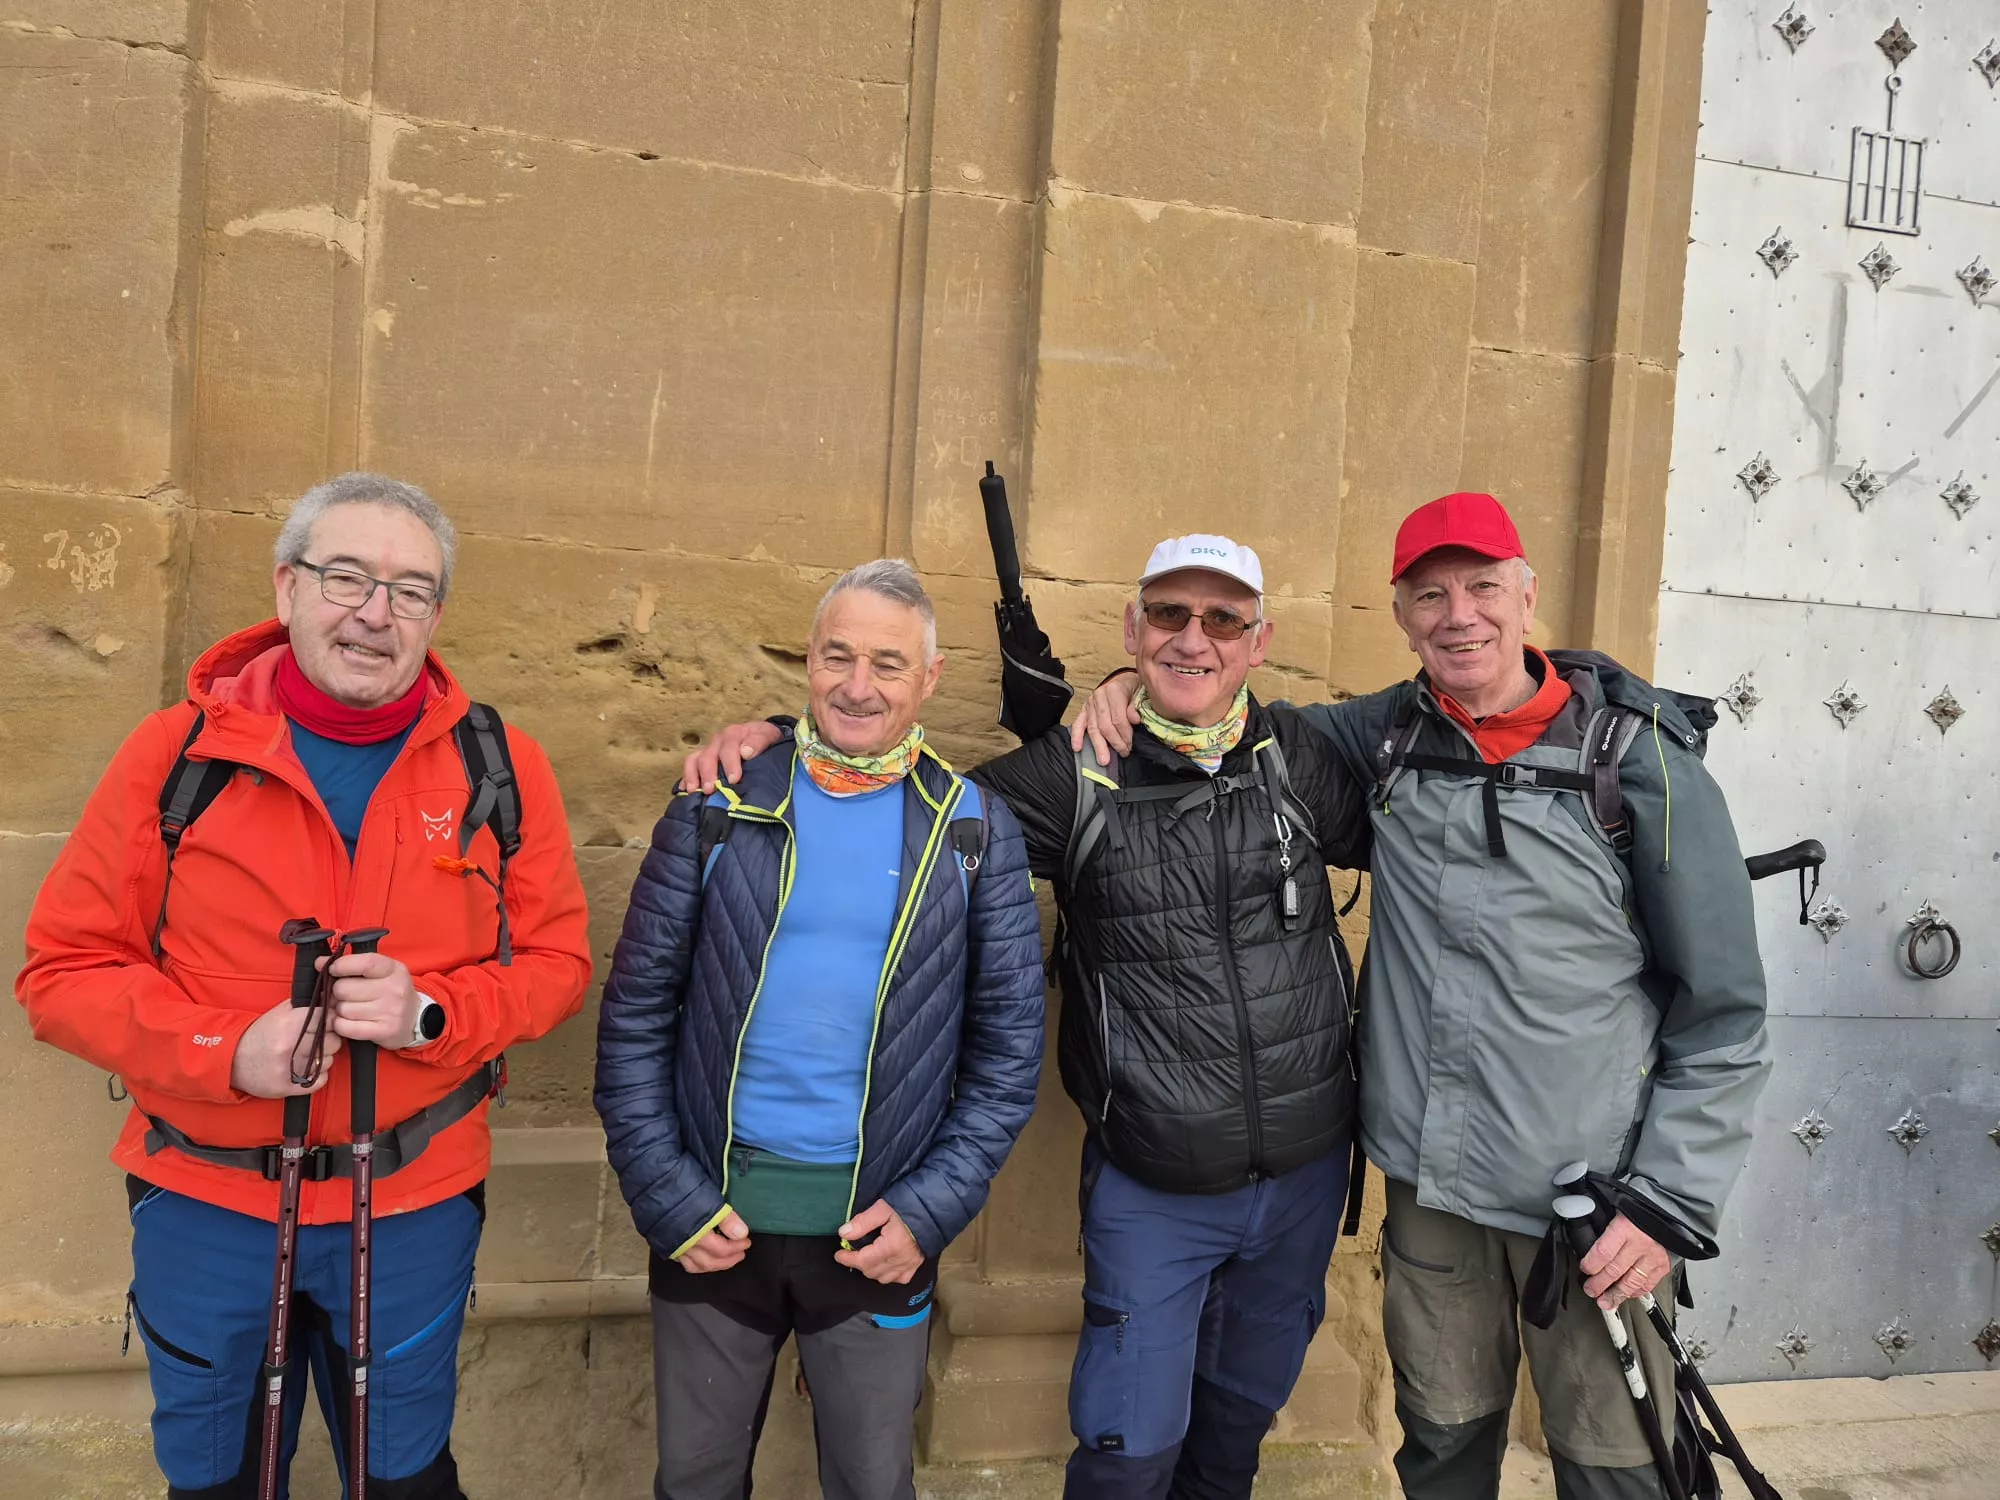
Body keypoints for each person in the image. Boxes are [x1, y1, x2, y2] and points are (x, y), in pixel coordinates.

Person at [1072, 493, 1770, 1500]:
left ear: (1526, 597)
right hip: (1431, 1193)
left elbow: (1725, 1018)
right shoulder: (1384, 739)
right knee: (1440, 1452)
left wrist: (1667, 1202)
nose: (1458, 616)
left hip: (1593, 1203)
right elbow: (1220, 710)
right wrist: (1115, 682)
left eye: (1483, 587)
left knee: (1615, 1468)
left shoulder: (1636, 766)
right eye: (1428, 594)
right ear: (1399, 614)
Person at [683, 536, 1371, 1500]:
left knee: (1236, 1435)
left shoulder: (1300, 755)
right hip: (1155, 1182)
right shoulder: (1077, 771)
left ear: (1259, 642)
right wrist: (769, 738)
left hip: (1303, 1176)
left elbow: (1438, 779)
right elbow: (903, 794)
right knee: (1128, 1449)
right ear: (1133, 630)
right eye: (1170, 614)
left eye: (1223, 620)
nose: (1193, 639)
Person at [15, 472, 593, 1499]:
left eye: (410, 590)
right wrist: (225, 1050)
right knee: (221, 1478)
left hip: (414, 1200)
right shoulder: (174, 758)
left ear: (435, 615)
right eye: (346, 578)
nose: (376, 613)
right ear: (286, 590)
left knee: (406, 1476)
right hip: (209, 1202)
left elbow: (554, 967)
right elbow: (60, 974)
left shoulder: (499, 767)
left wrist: (434, 1014)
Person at [597, 559, 1046, 1500]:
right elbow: (635, 1018)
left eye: (888, 664)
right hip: (710, 1222)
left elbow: (1006, 1057)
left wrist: (928, 1212)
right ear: (806, 663)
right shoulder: (717, 806)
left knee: (872, 1483)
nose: (857, 685)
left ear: (928, 680)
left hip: (877, 1232)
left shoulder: (973, 831)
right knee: (695, 1480)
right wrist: (666, 1194)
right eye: (837, 656)